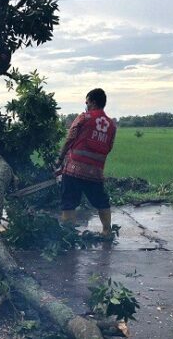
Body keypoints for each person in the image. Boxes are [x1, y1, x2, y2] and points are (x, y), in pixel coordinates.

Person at [56, 88, 117, 238]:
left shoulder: (84, 118)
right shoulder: (111, 125)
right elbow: (109, 147)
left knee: (69, 202)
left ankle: (68, 235)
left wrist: (60, 159)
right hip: (95, 172)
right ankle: (107, 231)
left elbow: (70, 139)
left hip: (74, 170)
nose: (86, 104)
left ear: (93, 102)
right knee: (101, 201)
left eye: (87, 102)